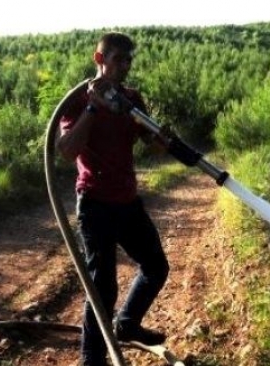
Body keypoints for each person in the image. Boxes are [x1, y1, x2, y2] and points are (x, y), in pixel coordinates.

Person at [57, 32, 170, 366]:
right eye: (118, 59)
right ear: (99, 59)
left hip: (128, 201)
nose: (124, 66)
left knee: (156, 266)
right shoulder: (77, 101)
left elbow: (152, 143)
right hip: (95, 205)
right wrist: (94, 107)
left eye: (128, 60)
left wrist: (162, 139)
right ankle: (92, 358)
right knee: (102, 288)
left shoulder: (131, 99)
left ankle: (127, 324)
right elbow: (67, 151)